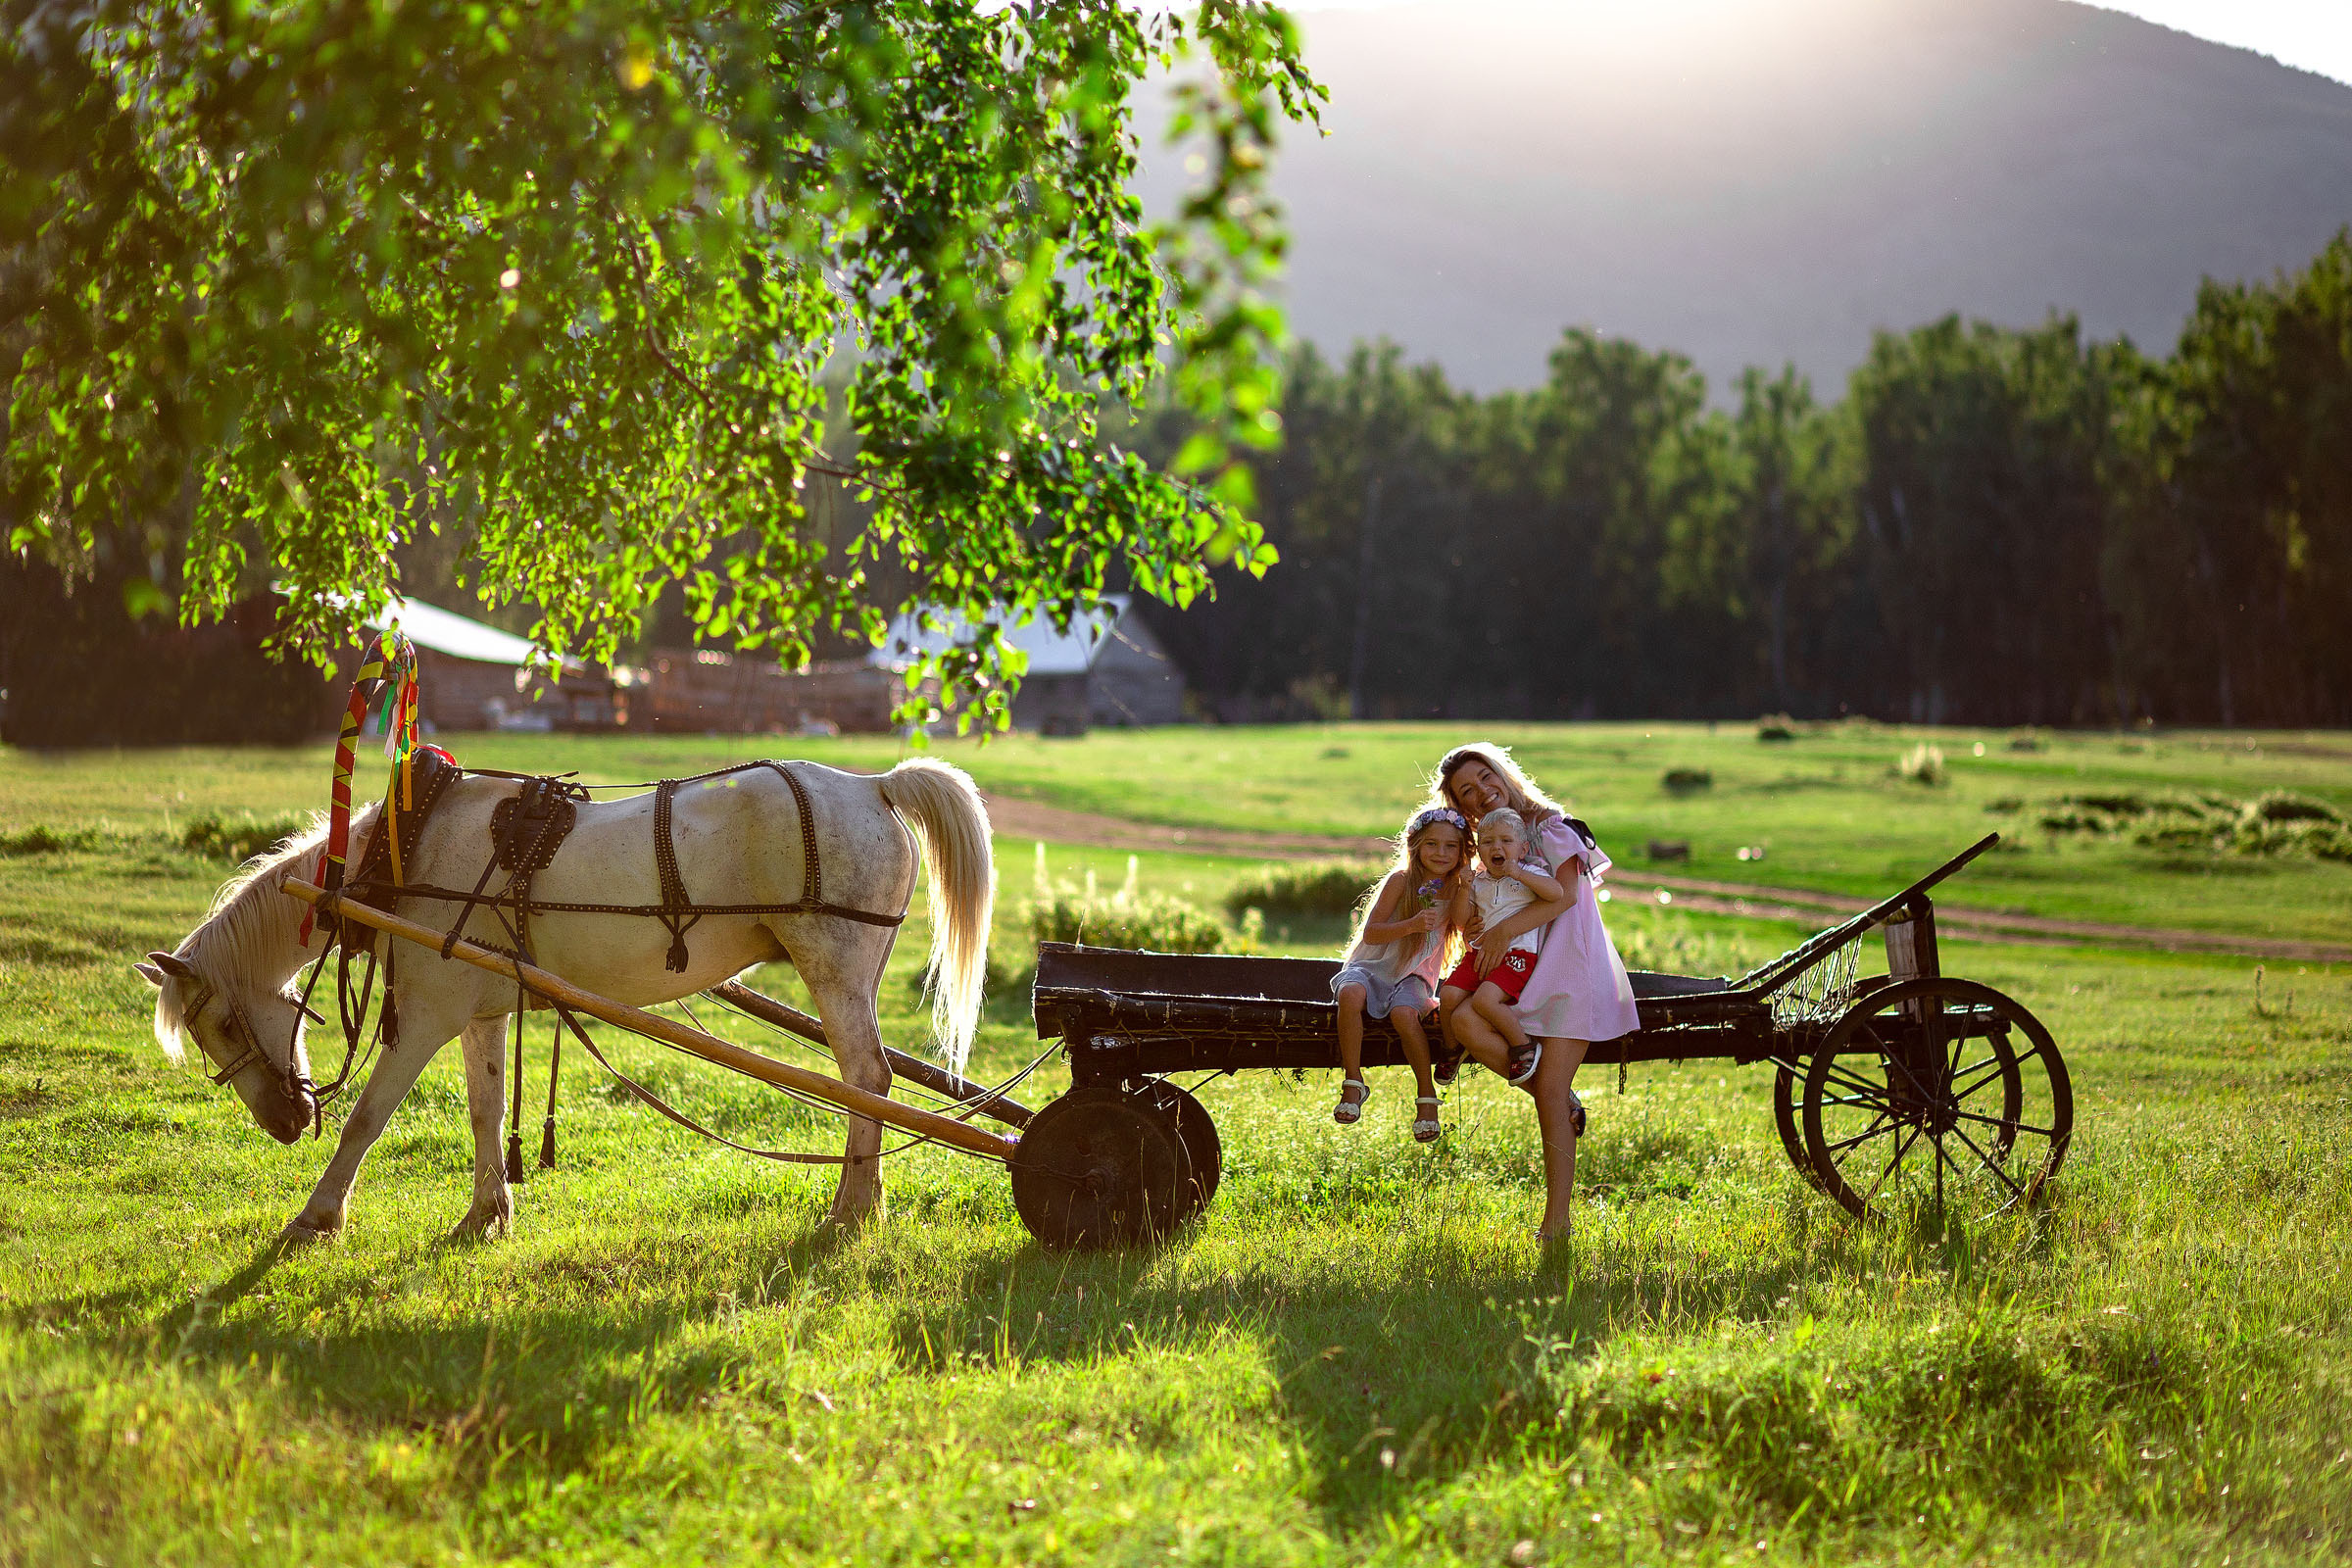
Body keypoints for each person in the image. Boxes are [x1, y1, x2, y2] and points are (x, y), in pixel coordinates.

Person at [1432, 743, 1640, 1243]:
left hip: (1567, 962)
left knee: (1546, 1092)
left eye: (1485, 778)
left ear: (1501, 773)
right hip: (1523, 966)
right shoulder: (1491, 847)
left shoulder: (1547, 825)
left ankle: (1557, 1223)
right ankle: (1557, 1093)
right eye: (1467, 793)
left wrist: (1503, 933)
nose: (1481, 792)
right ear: (1463, 808)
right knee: (1463, 1021)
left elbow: (1566, 896)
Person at [1331, 805, 1467, 1142]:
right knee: (1350, 995)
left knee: (1405, 1014)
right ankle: (1353, 1081)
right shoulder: (1401, 881)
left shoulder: (1457, 888)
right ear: (1416, 846)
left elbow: (1466, 928)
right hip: (1372, 966)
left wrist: (1470, 896)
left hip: (1414, 975)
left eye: (1451, 846)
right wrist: (1410, 925)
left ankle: (1426, 1097)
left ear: (1463, 851)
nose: (1441, 853)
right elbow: (1372, 933)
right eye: (1432, 844)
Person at [1438, 808, 1561, 1086]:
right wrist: (1463, 889)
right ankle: (1451, 1048)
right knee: (1448, 995)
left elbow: (1557, 894)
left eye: (1506, 841)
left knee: (1484, 1000)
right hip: (1479, 954)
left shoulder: (1529, 872)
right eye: (1488, 841)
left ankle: (1523, 1046)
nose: (1497, 847)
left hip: (1516, 956)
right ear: (1480, 851)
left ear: (1523, 848)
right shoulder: (1478, 882)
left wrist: (1519, 872)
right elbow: (1461, 921)